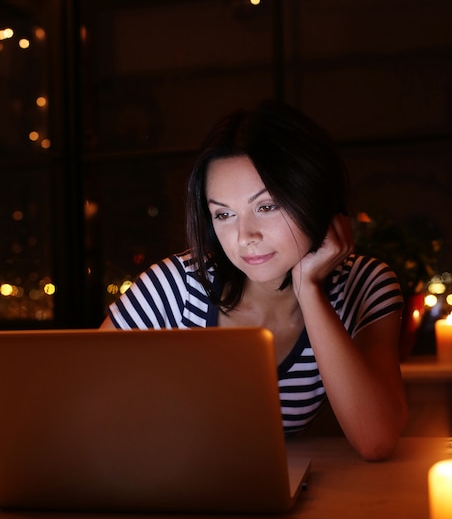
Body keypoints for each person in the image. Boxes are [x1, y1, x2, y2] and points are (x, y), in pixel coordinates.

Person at [100, 99, 407, 461]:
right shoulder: (179, 285)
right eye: (224, 214)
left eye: (267, 206)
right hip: (173, 487)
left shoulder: (366, 284)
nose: (245, 235)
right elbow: (79, 406)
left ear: (313, 196)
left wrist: (309, 290)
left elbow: (376, 439)